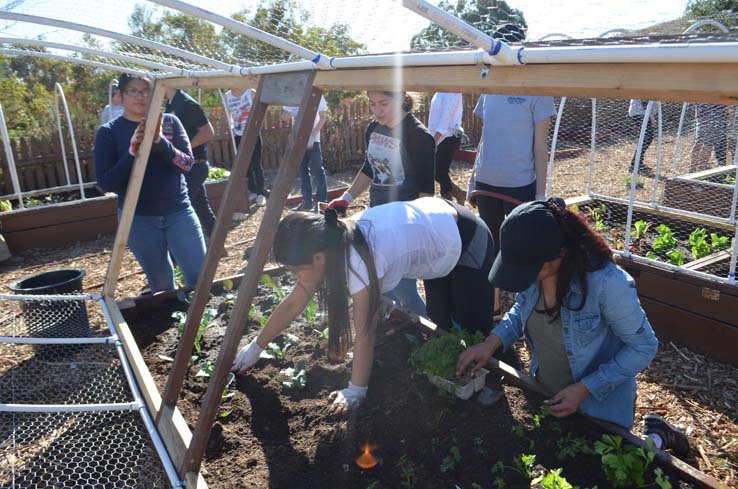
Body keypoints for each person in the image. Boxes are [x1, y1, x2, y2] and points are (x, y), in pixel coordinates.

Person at [456, 199, 690, 455]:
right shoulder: (535, 276)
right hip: (548, 390)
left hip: (597, 405)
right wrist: (490, 344)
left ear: (558, 256)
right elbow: (520, 312)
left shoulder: (607, 285)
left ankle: (657, 434)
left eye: (525, 269)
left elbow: (644, 347)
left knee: (623, 458)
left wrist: (584, 389)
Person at [232, 197, 496, 414]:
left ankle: (493, 386)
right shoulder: (333, 243)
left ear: (318, 258)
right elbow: (293, 303)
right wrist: (256, 347)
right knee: (443, 322)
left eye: (294, 271)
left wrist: (356, 390)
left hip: (468, 240)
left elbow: (366, 332)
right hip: (439, 238)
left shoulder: (359, 261)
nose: (294, 277)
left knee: (475, 333)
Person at [93, 74, 206, 293]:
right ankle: (173, 323)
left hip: (178, 212)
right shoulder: (109, 132)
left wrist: (160, 142)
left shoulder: (170, 123)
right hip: (138, 218)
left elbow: (186, 164)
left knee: (199, 275)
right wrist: (131, 152)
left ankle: (201, 321)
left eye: (146, 91)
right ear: (122, 95)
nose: (140, 96)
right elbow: (106, 182)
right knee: (161, 283)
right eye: (133, 91)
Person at [327, 91, 435, 318]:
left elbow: (426, 192)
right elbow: (369, 169)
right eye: (372, 104)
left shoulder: (418, 136)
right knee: (383, 285)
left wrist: (415, 229)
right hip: (378, 216)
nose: (377, 111)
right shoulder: (373, 129)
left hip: (403, 223)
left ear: (401, 97)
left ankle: (428, 334)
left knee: (405, 290)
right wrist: (346, 198)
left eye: (384, 104)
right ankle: (392, 332)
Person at [165, 87, 217, 238]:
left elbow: (208, 132)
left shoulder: (187, 103)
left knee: (179, 210)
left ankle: (176, 255)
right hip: (187, 166)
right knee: (202, 207)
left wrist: (183, 149)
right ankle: (218, 245)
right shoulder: (171, 103)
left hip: (195, 165)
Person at [281, 95, 329, 211]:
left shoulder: (317, 96)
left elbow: (323, 117)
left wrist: (313, 135)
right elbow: (284, 118)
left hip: (313, 140)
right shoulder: (292, 97)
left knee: (317, 170)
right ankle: (307, 202)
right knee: (303, 172)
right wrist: (289, 109)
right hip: (299, 140)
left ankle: (322, 203)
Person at [225, 87, 267, 212]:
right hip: (239, 135)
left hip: (253, 133)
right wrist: (232, 127)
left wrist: (257, 124)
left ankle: (260, 194)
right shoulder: (228, 96)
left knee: (256, 163)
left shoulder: (250, 93)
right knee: (245, 164)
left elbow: (260, 109)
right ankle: (252, 190)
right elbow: (228, 115)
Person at [428, 92, 465, 204]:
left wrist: (434, 140)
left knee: (439, 172)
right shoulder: (440, 91)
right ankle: (458, 194)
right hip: (439, 137)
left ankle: (449, 201)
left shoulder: (452, 92)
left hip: (447, 137)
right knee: (439, 172)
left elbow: (446, 118)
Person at [690, 104, 728, 172]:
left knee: (698, 142)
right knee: (708, 144)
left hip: (701, 113)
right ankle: (701, 170)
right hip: (715, 113)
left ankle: (692, 168)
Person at [628, 99, 660, 172]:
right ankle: (635, 165)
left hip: (640, 113)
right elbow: (645, 100)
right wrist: (652, 119)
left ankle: (637, 163)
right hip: (642, 114)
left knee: (646, 139)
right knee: (646, 138)